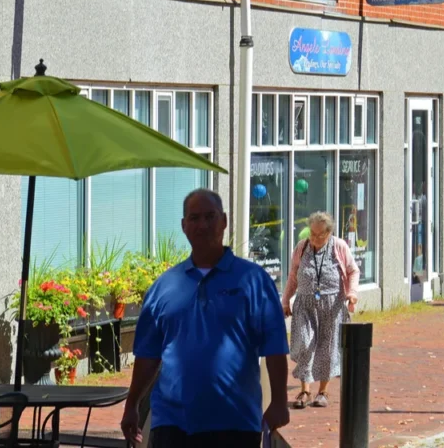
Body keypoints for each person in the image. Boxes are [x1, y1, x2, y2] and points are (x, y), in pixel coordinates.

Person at [122, 189, 290, 448]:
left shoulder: (254, 281)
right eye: (194, 218)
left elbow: (275, 347)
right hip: (172, 424)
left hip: (235, 422)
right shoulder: (164, 287)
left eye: (210, 217)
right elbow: (148, 355)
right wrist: (132, 404)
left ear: (223, 221)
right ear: (184, 226)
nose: (202, 225)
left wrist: (279, 401)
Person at [283, 212, 360, 409]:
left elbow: (352, 270)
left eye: (320, 235)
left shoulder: (339, 246)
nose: (316, 238)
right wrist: (285, 301)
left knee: (327, 347)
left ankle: (322, 391)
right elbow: (293, 276)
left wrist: (351, 294)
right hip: (305, 305)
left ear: (329, 232)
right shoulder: (301, 247)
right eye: (312, 234)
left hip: (332, 304)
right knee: (304, 343)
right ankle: (305, 389)